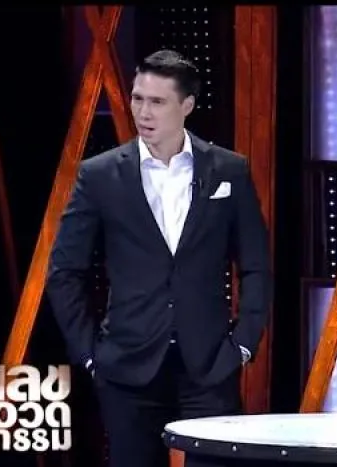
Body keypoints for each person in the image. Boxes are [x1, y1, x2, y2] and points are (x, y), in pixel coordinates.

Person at [46, 50, 272, 467]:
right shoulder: (99, 175)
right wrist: (91, 354)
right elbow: (64, 271)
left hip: (209, 366)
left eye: (157, 101)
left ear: (187, 105)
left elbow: (256, 265)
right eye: (137, 99)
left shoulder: (228, 170)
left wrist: (242, 345)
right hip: (126, 367)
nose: (143, 112)